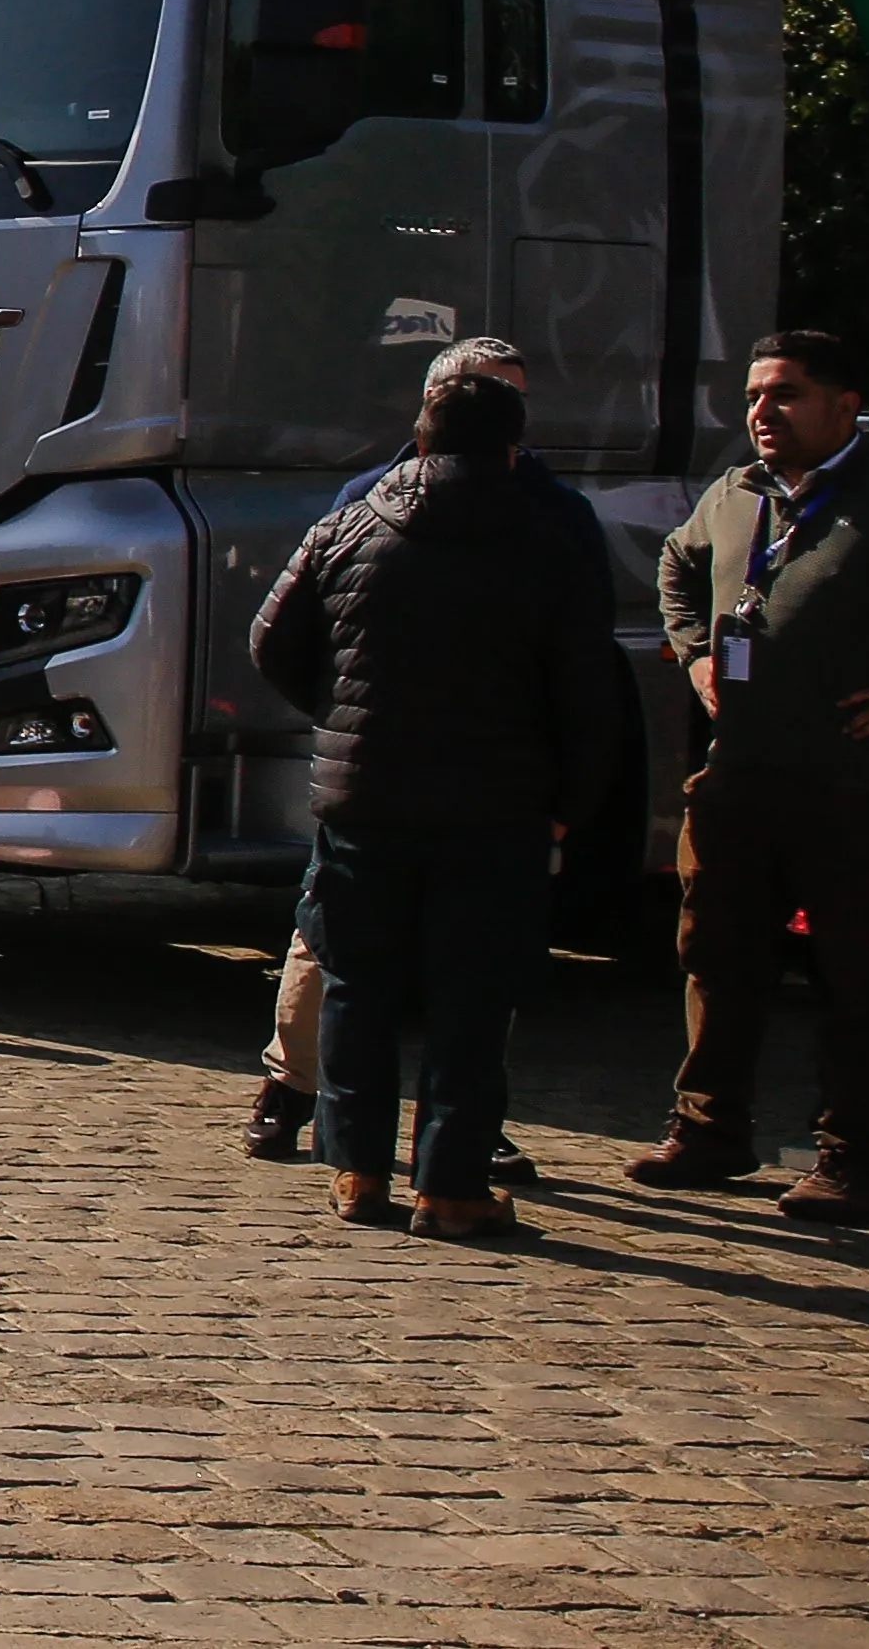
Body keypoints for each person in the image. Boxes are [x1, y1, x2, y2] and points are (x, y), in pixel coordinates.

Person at [244, 368, 640, 1237]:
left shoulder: (351, 518)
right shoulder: (551, 537)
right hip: (496, 807)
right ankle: (451, 1186)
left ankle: (355, 1172)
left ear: (419, 436)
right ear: (511, 446)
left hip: (365, 796)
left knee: (356, 987)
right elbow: (586, 689)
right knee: (472, 998)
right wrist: (572, 799)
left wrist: (341, 712)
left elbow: (271, 639)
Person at [632, 329, 869, 1223]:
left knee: (855, 972)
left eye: (785, 394)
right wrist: (692, 657)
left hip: (855, 783)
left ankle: (852, 1155)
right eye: (756, 395)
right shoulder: (735, 491)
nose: (762, 412)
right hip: (740, 776)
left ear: (844, 405)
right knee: (715, 955)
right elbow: (676, 567)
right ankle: (709, 1130)